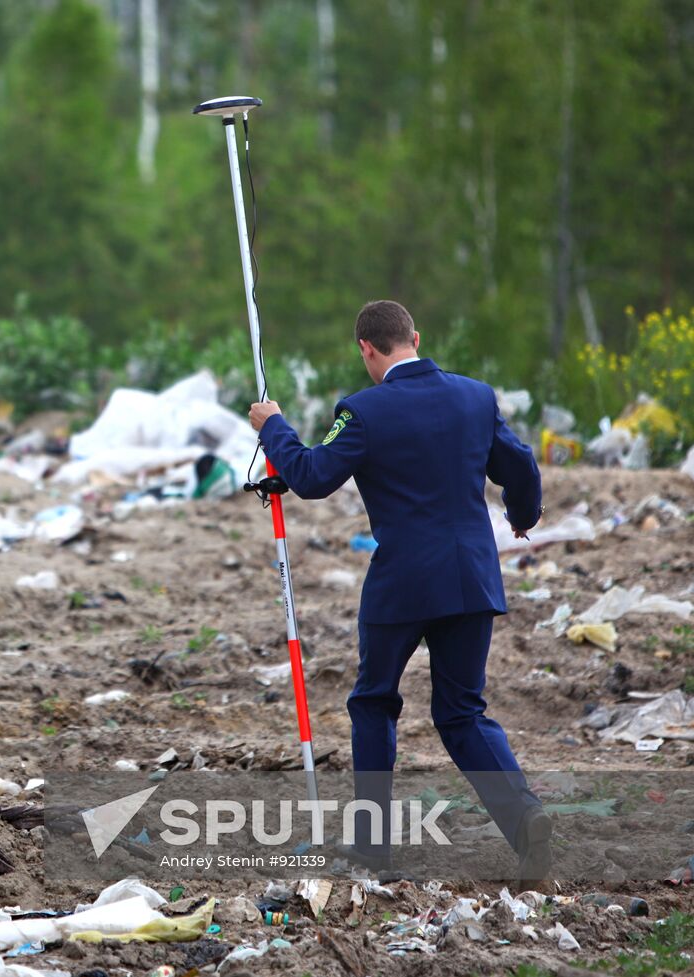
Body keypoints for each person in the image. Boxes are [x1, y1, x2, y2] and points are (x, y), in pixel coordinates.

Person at [246, 299, 551, 883]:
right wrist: (523, 514)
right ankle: (525, 820)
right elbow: (520, 466)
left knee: (374, 702)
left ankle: (371, 847)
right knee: (463, 712)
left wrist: (273, 427)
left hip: (403, 585)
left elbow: (311, 477)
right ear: (415, 336)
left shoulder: (362, 411)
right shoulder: (476, 397)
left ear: (366, 348)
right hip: (473, 578)